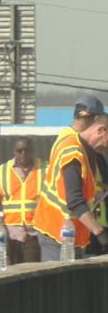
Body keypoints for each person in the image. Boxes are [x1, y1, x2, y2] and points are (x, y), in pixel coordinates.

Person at [33, 101, 108, 261]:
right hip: (57, 232)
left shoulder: (78, 143)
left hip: (70, 233)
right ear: (101, 130)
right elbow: (74, 201)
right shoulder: (73, 152)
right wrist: (101, 233)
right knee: (58, 277)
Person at [0, 137, 43, 264]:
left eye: (27, 150)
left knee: (31, 270)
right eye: (19, 151)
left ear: (33, 151)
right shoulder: (2, 171)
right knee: (10, 270)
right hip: (10, 234)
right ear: (14, 152)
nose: (23, 154)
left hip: (35, 234)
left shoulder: (46, 170)